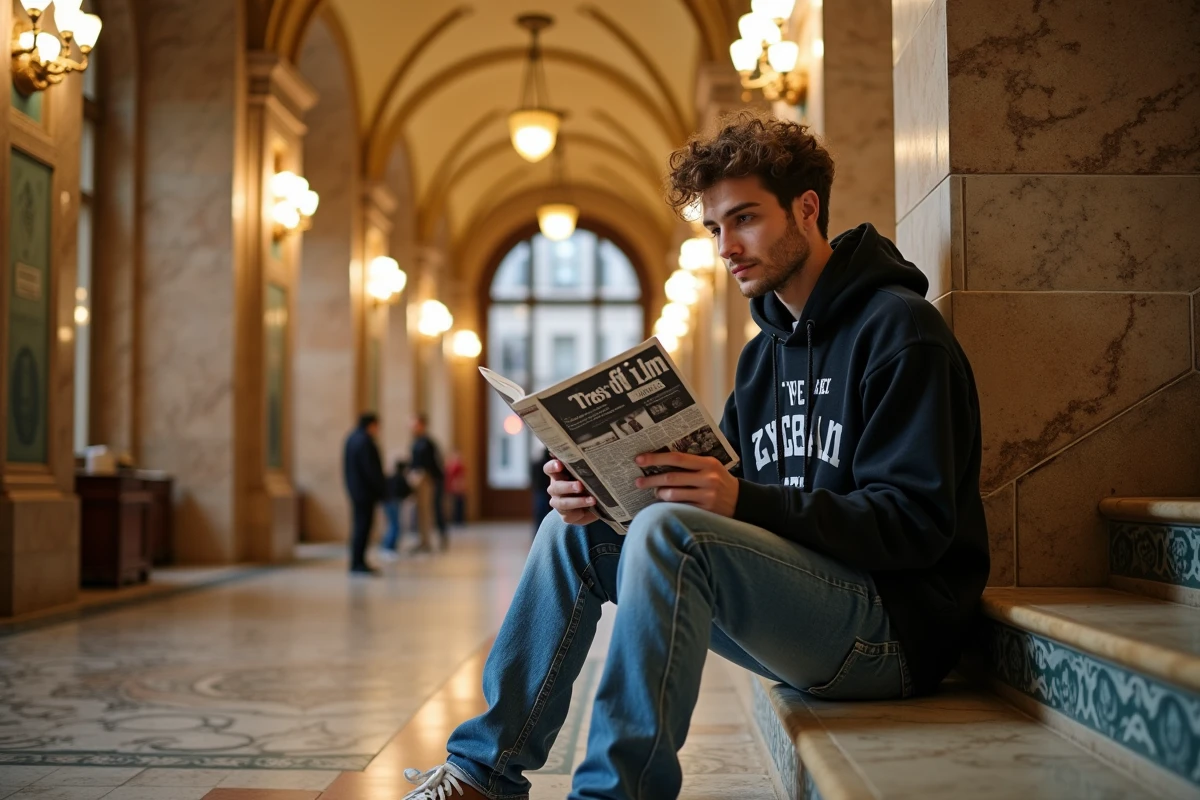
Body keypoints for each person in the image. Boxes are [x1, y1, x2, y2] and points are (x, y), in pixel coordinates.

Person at [402, 114, 989, 800]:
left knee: (670, 534)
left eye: (744, 219)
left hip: (891, 633)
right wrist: (601, 488)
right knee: (576, 531)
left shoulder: (899, 331)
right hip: (803, 608)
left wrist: (739, 500)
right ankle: (482, 774)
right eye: (714, 228)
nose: (726, 248)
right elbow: (733, 494)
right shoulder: (762, 356)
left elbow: (915, 526)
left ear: (806, 208)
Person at [342, 412, 386, 576]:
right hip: (365, 492)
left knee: (359, 526)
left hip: (356, 490)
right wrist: (381, 489)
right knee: (363, 527)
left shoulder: (351, 439)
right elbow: (371, 470)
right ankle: (358, 562)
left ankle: (358, 560)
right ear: (372, 425)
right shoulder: (365, 441)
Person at [410, 414, 448, 549]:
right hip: (419, 478)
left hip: (427, 479)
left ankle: (433, 539)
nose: (412, 427)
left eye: (415, 424)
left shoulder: (427, 443)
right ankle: (423, 540)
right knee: (421, 512)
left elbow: (432, 463)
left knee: (432, 510)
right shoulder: (417, 442)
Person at [378, 458, 413, 561]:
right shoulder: (400, 478)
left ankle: (388, 546)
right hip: (393, 502)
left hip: (387, 502)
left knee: (392, 525)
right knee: (395, 525)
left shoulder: (391, 476)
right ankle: (388, 547)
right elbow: (407, 491)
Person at [529, 445, 553, 539]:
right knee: (542, 514)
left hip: (540, 491)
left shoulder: (537, 463)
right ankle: (539, 535)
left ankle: (538, 535)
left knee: (541, 514)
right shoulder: (541, 464)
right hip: (542, 492)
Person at [445, 450, 467, 526]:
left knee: (459, 503)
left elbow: (460, 476)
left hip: (457, 485)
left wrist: (459, 485)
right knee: (455, 503)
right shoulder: (451, 465)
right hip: (453, 485)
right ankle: (456, 519)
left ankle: (459, 520)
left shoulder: (458, 465)